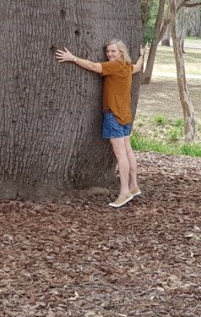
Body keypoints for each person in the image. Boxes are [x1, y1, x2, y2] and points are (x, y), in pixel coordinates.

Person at [55, 39, 143, 208]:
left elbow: (94, 67)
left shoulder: (115, 66)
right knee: (127, 150)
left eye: (113, 51)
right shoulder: (127, 66)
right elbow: (138, 67)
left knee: (120, 154)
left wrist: (72, 58)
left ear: (121, 53)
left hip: (114, 115)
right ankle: (134, 185)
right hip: (125, 115)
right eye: (108, 52)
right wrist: (142, 56)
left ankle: (124, 192)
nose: (109, 54)